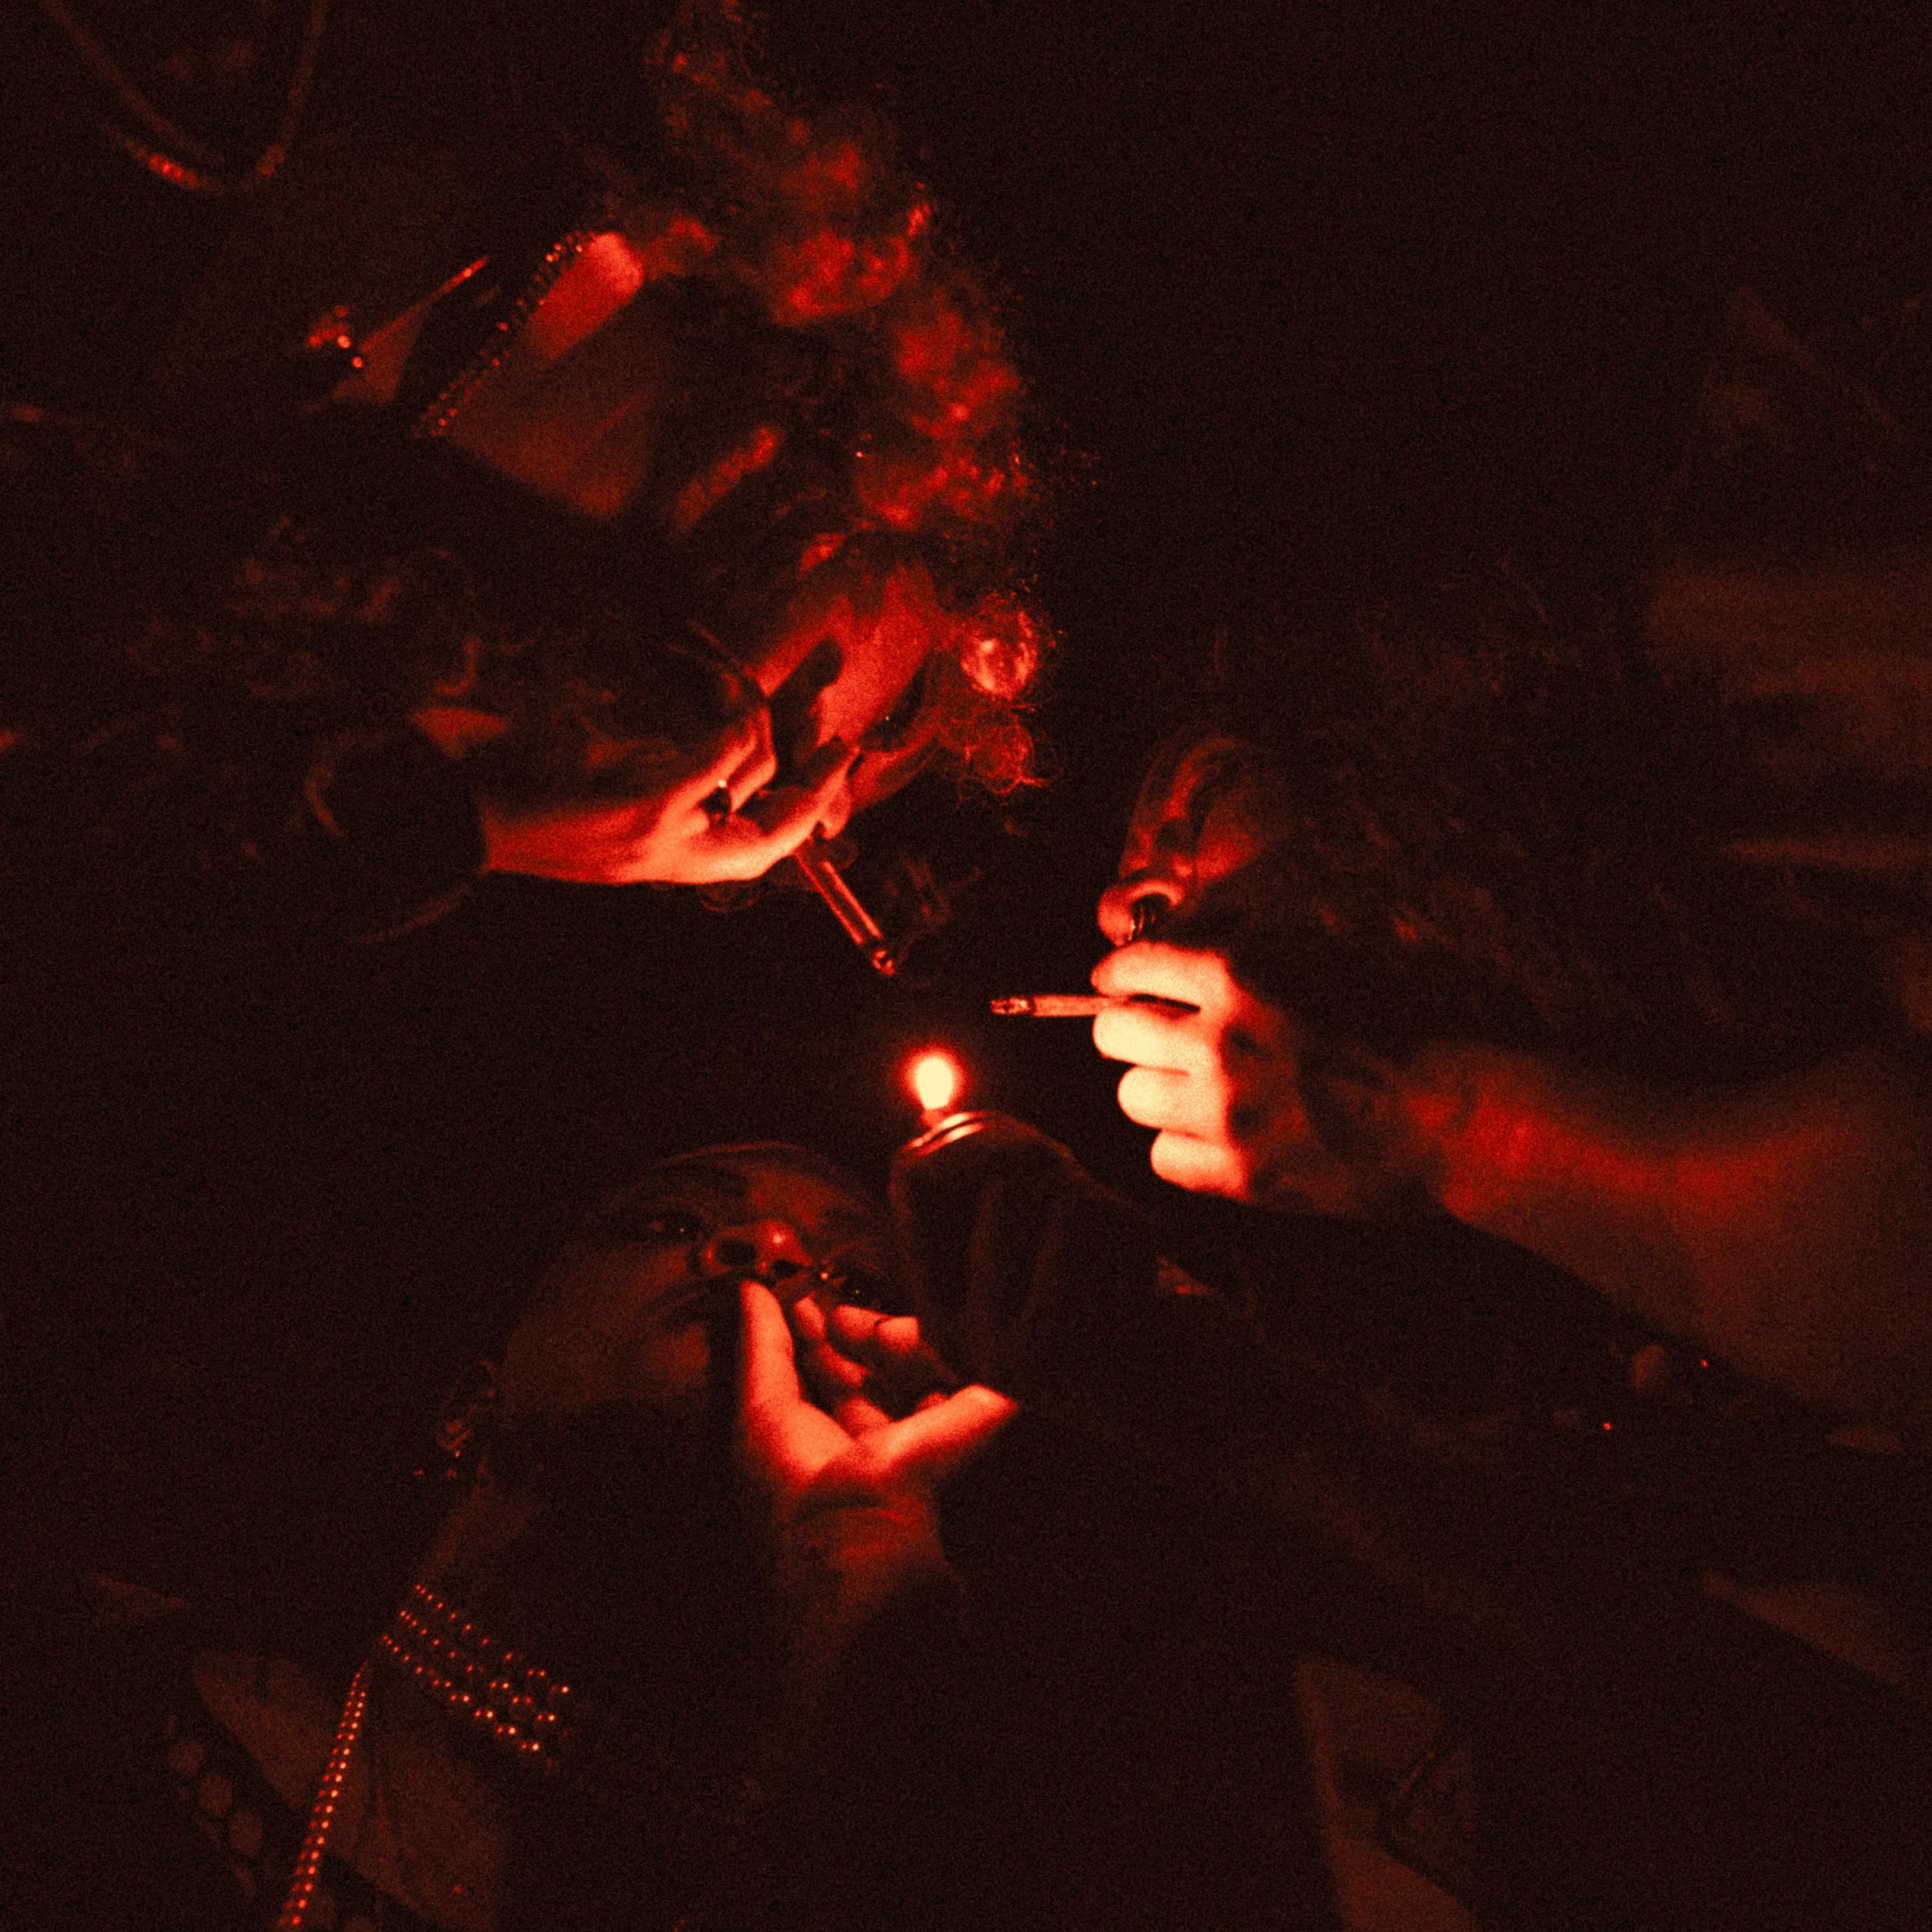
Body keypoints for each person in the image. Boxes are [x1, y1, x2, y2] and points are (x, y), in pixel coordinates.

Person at [23, 1141, 1018, 1932]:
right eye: (672, 1222)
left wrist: (865, 1586)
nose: (770, 1246)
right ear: (471, 1404)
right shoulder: (68, 1690)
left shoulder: (905, 1881)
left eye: (855, 1276)